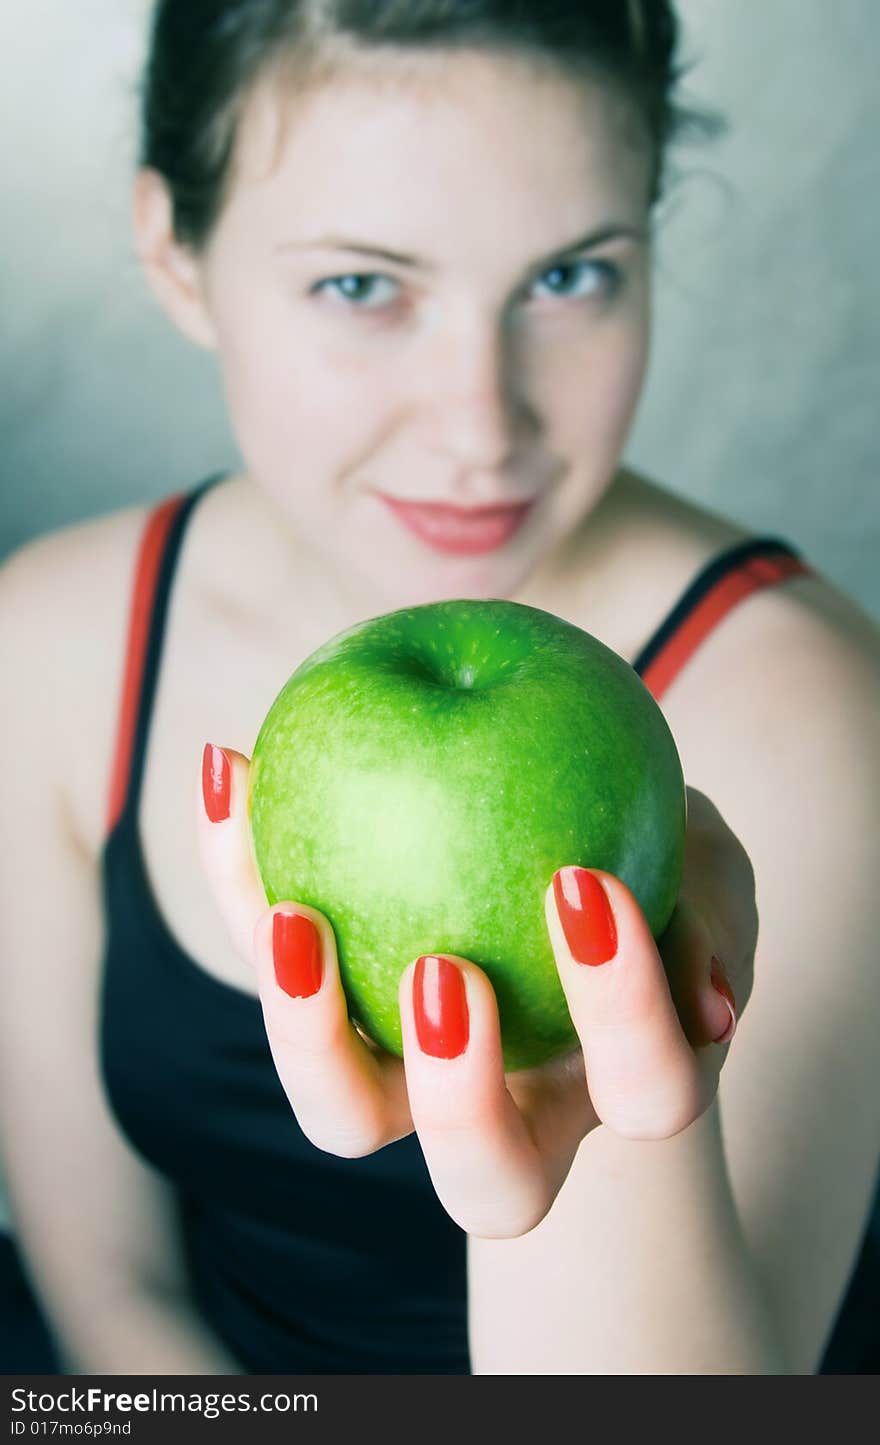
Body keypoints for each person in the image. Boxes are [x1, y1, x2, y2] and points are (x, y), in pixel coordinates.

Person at [0, 0, 878, 1377]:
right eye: (362, 285)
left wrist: (599, 1138)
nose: (483, 426)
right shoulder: (52, 641)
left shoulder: (807, 707)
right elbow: (111, 1295)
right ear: (175, 250)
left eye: (571, 277)